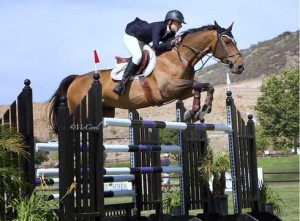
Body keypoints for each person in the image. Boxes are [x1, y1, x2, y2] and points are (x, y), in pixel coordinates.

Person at [113, 10, 186, 96]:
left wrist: (176, 41)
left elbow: (167, 46)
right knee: (138, 56)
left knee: (151, 55)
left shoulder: (171, 33)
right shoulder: (158, 27)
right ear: (170, 22)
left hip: (142, 40)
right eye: (179, 23)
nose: (181, 26)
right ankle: (122, 83)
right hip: (131, 36)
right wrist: (171, 43)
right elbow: (156, 46)